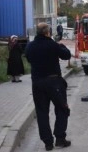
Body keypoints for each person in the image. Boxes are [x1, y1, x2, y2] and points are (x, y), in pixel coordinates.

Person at [25, 23, 72, 151]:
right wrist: (61, 46)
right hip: (54, 82)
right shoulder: (52, 44)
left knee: (42, 113)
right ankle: (60, 139)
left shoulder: (30, 46)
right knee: (62, 109)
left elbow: (28, 58)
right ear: (47, 32)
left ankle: (48, 143)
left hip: (37, 84)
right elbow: (66, 55)